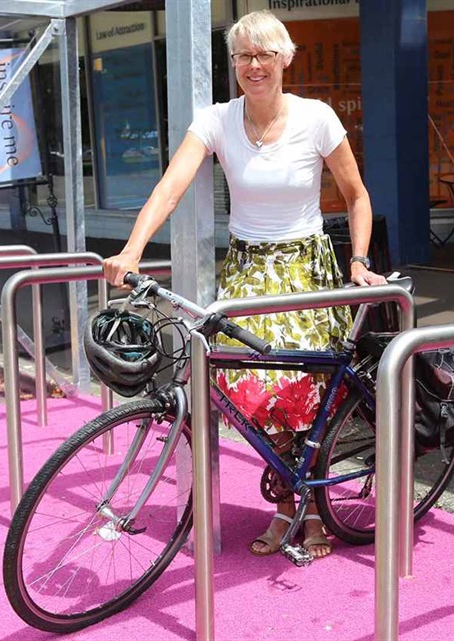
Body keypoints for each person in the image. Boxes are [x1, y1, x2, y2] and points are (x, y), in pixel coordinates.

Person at [103, 10, 385, 560]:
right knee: (252, 395)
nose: (254, 66)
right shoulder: (216, 120)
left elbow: (356, 195)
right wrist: (132, 249)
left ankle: (305, 512)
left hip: (304, 269)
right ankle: (289, 504)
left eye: (264, 55)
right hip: (248, 270)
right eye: (243, 56)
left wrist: (357, 260)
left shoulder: (317, 118)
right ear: (233, 63)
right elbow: (170, 187)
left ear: (285, 59)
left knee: (302, 394)